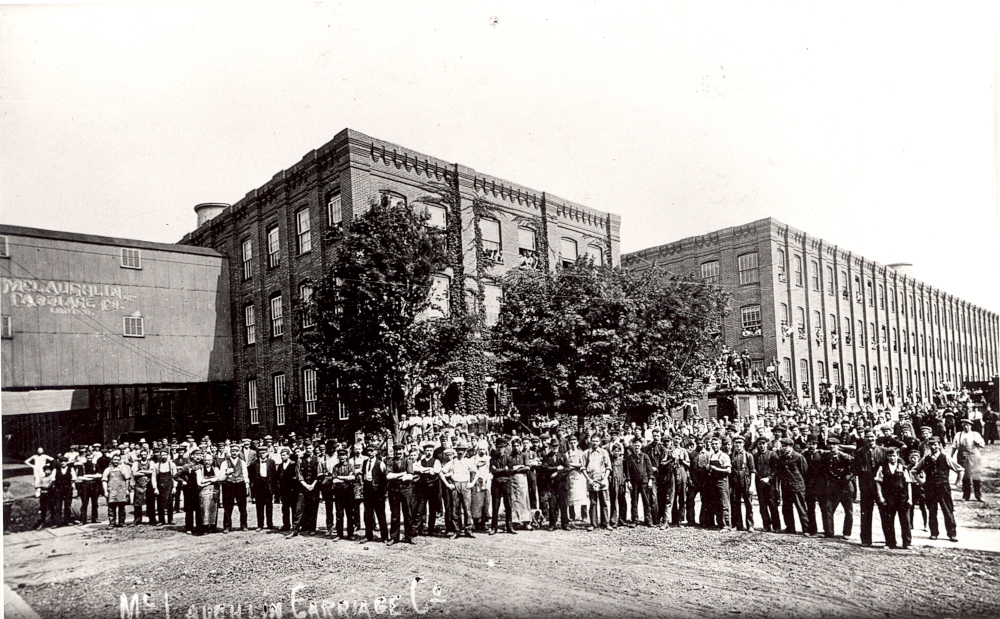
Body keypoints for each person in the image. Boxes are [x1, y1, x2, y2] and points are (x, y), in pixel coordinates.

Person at [912, 437, 964, 542]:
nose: (933, 447)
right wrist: (921, 483)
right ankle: (934, 533)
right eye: (931, 444)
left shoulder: (945, 458)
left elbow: (960, 469)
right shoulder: (925, 459)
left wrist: (957, 483)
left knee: (948, 511)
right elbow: (914, 471)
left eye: (935, 444)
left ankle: (952, 534)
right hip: (930, 488)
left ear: (940, 445)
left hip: (943, 488)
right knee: (932, 511)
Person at [853, 429, 888, 547]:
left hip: (880, 488)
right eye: (868, 437)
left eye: (872, 437)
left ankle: (889, 540)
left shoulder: (883, 451)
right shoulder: (860, 452)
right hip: (866, 487)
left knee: (885, 513)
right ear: (865, 439)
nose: (870, 439)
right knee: (866, 514)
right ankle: (866, 540)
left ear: (876, 437)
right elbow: (856, 469)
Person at [875, 447, 914, 549]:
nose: (892, 458)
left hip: (902, 497)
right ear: (887, 456)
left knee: (905, 520)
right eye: (890, 456)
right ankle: (890, 542)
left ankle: (907, 543)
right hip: (889, 498)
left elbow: (908, 483)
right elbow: (878, 482)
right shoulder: (882, 468)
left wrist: (910, 498)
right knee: (888, 520)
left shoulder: (903, 468)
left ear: (898, 456)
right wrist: (881, 497)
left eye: (894, 456)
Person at [820, 437, 854, 539]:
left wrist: (845, 478)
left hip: (845, 487)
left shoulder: (845, 457)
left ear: (838, 446)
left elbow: (852, 470)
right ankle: (829, 532)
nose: (832, 447)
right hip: (832, 487)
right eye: (830, 445)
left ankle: (846, 533)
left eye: (834, 445)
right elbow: (824, 470)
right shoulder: (826, 456)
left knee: (848, 511)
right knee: (828, 509)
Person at [776, 438, 808, 534]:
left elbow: (804, 472)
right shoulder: (781, 458)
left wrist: (798, 482)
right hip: (786, 487)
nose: (784, 448)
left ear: (791, 447)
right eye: (782, 446)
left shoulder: (798, 457)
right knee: (786, 508)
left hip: (797, 486)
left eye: (786, 446)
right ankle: (790, 528)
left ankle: (806, 529)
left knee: (801, 508)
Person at [386, 442, 416, 545]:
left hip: (406, 490)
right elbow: (388, 476)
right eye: (396, 450)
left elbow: (410, 476)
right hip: (393, 491)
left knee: (408, 513)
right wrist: (403, 474)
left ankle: (409, 536)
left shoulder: (408, 461)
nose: (398, 452)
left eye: (400, 450)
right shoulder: (390, 461)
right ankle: (394, 537)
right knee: (395, 514)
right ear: (394, 451)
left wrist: (398, 476)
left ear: (403, 450)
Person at [538, 437, 570, 530]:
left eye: (556, 446)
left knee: (563, 504)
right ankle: (552, 524)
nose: (555, 448)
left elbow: (567, 469)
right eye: (553, 446)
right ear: (550, 446)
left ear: (559, 446)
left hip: (562, 483)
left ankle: (565, 524)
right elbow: (544, 468)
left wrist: (557, 473)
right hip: (551, 485)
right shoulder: (547, 457)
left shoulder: (563, 456)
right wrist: (556, 468)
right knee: (552, 504)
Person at [360, 444, 389, 543]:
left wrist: (383, 492)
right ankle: (368, 536)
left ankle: (384, 537)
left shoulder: (380, 463)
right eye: (368, 451)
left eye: (372, 450)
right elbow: (363, 476)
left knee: (380, 514)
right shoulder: (365, 462)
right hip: (368, 490)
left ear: (376, 451)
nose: (370, 452)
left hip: (378, 492)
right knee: (367, 514)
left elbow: (384, 480)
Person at [951, 418, 985, 502]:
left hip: (974, 457)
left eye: (967, 425)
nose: (966, 427)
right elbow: (954, 446)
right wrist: (951, 455)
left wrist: (978, 443)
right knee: (964, 476)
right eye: (964, 425)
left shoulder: (975, 434)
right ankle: (966, 495)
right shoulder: (958, 435)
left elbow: (982, 445)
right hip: (962, 458)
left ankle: (979, 495)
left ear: (970, 426)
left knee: (976, 476)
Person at [219, 444, 250, 533]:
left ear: (239, 452)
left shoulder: (242, 462)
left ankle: (244, 525)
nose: (234, 453)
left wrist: (247, 486)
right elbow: (221, 476)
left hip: (240, 485)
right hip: (229, 485)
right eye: (233, 451)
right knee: (228, 506)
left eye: (236, 451)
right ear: (230, 452)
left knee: (242, 506)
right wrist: (226, 473)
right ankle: (227, 526)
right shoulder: (225, 463)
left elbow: (245, 475)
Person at [752, 437, 780, 532]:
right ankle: (766, 525)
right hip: (760, 483)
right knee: (762, 505)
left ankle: (776, 526)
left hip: (770, 483)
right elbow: (754, 470)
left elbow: (776, 469)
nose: (762, 446)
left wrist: (769, 478)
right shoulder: (755, 456)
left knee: (773, 504)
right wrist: (760, 479)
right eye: (760, 444)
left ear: (767, 444)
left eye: (763, 443)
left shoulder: (772, 454)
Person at [625, 440, 655, 527]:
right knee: (634, 502)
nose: (637, 447)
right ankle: (635, 520)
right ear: (633, 446)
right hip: (634, 483)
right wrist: (628, 482)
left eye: (638, 446)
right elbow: (628, 471)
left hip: (644, 482)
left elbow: (649, 470)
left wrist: (650, 480)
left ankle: (648, 520)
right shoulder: (630, 458)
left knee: (646, 501)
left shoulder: (645, 456)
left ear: (641, 446)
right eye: (635, 446)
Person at [584, 435, 611, 531]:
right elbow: (583, 468)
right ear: (590, 442)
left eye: (596, 441)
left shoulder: (604, 452)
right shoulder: (586, 453)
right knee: (593, 502)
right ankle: (593, 524)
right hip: (592, 480)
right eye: (593, 441)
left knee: (604, 502)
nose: (595, 443)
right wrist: (589, 479)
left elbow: (608, 467)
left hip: (602, 480)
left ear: (599, 442)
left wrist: (604, 479)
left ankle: (605, 523)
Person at [489, 436, 516, 535]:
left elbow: (510, 471)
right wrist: (503, 469)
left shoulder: (508, 458)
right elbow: (492, 471)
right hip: (496, 483)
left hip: (506, 483)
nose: (500, 449)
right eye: (498, 447)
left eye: (502, 447)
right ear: (496, 447)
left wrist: (500, 470)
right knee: (495, 506)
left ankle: (510, 526)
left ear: (505, 448)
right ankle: (494, 527)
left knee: (508, 505)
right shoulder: (493, 459)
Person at [728, 435, 755, 531]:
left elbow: (752, 471)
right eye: (736, 443)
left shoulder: (749, 455)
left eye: (740, 443)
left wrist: (752, 486)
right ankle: (737, 524)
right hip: (735, 482)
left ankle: (750, 525)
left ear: (743, 444)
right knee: (735, 503)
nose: (738, 445)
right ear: (733, 444)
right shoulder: (730, 456)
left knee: (748, 504)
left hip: (746, 482)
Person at [705, 436, 732, 529]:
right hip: (713, 482)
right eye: (712, 444)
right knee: (716, 503)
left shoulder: (724, 456)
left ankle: (727, 525)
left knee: (724, 503)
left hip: (722, 481)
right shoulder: (711, 455)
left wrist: (716, 468)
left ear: (720, 445)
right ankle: (720, 523)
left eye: (716, 444)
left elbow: (728, 470)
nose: (714, 446)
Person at [332, 447, 357, 539]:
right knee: (339, 513)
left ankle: (350, 534)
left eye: (343, 455)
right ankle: (339, 534)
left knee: (350, 513)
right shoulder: (335, 467)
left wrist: (340, 477)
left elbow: (353, 478)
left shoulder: (350, 466)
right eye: (340, 455)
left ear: (346, 456)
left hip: (349, 493)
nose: (342, 457)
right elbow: (334, 480)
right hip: (338, 493)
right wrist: (346, 478)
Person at [249, 446, 276, 530]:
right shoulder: (254, 463)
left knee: (269, 506)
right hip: (259, 487)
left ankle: (270, 524)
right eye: (260, 453)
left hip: (268, 486)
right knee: (259, 506)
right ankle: (260, 525)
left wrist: (274, 489)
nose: (262, 455)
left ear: (267, 453)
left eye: (263, 453)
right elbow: (251, 476)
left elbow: (274, 476)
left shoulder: (271, 462)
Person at [195, 451, 222, 535]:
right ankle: (205, 528)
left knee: (213, 509)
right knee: (205, 510)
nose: (207, 462)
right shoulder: (199, 470)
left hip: (214, 491)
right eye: (206, 460)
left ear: (212, 461)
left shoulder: (216, 469)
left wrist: (207, 480)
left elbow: (220, 478)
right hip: (204, 491)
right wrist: (211, 480)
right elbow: (200, 482)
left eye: (209, 460)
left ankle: (213, 527)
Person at [102, 454, 132, 528]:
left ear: (120, 461)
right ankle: (112, 523)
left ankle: (122, 522)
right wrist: (105, 491)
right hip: (111, 491)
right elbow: (104, 481)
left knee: (122, 508)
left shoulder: (123, 469)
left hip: (121, 490)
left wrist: (127, 490)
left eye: (118, 460)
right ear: (112, 460)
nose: (116, 461)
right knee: (111, 508)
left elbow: (127, 480)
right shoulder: (107, 469)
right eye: (114, 459)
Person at [152, 449, 177, 526]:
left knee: (170, 503)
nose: (164, 457)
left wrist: (174, 487)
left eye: (165, 455)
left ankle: (170, 519)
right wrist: (155, 488)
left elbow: (175, 477)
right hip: (160, 487)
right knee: (160, 503)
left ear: (168, 456)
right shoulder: (157, 465)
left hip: (169, 486)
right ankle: (161, 520)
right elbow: (153, 477)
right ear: (160, 456)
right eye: (162, 455)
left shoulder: (171, 465)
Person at [277, 447, 298, 531]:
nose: (282, 457)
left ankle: (294, 525)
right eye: (281, 455)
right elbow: (278, 478)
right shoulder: (280, 466)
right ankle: (286, 524)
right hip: (284, 491)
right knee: (285, 508)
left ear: (288, 455)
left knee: (293, 508)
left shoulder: (293, 464)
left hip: (292, 490)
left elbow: (296, 477)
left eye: (284, 455)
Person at [132, 451, 155, 525]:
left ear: (147, 455)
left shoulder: (151, 462)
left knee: (151, 503)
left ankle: (152, 520)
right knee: (138, 504)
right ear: (140, 456)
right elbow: (134, 473)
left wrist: (141, 471)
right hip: (139, 485)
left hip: (149, 485)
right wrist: (146, 472)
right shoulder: (136, 463)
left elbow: (152, 472)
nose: (143, 456)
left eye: (145, 455)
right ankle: (137, 520)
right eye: (142, 455)